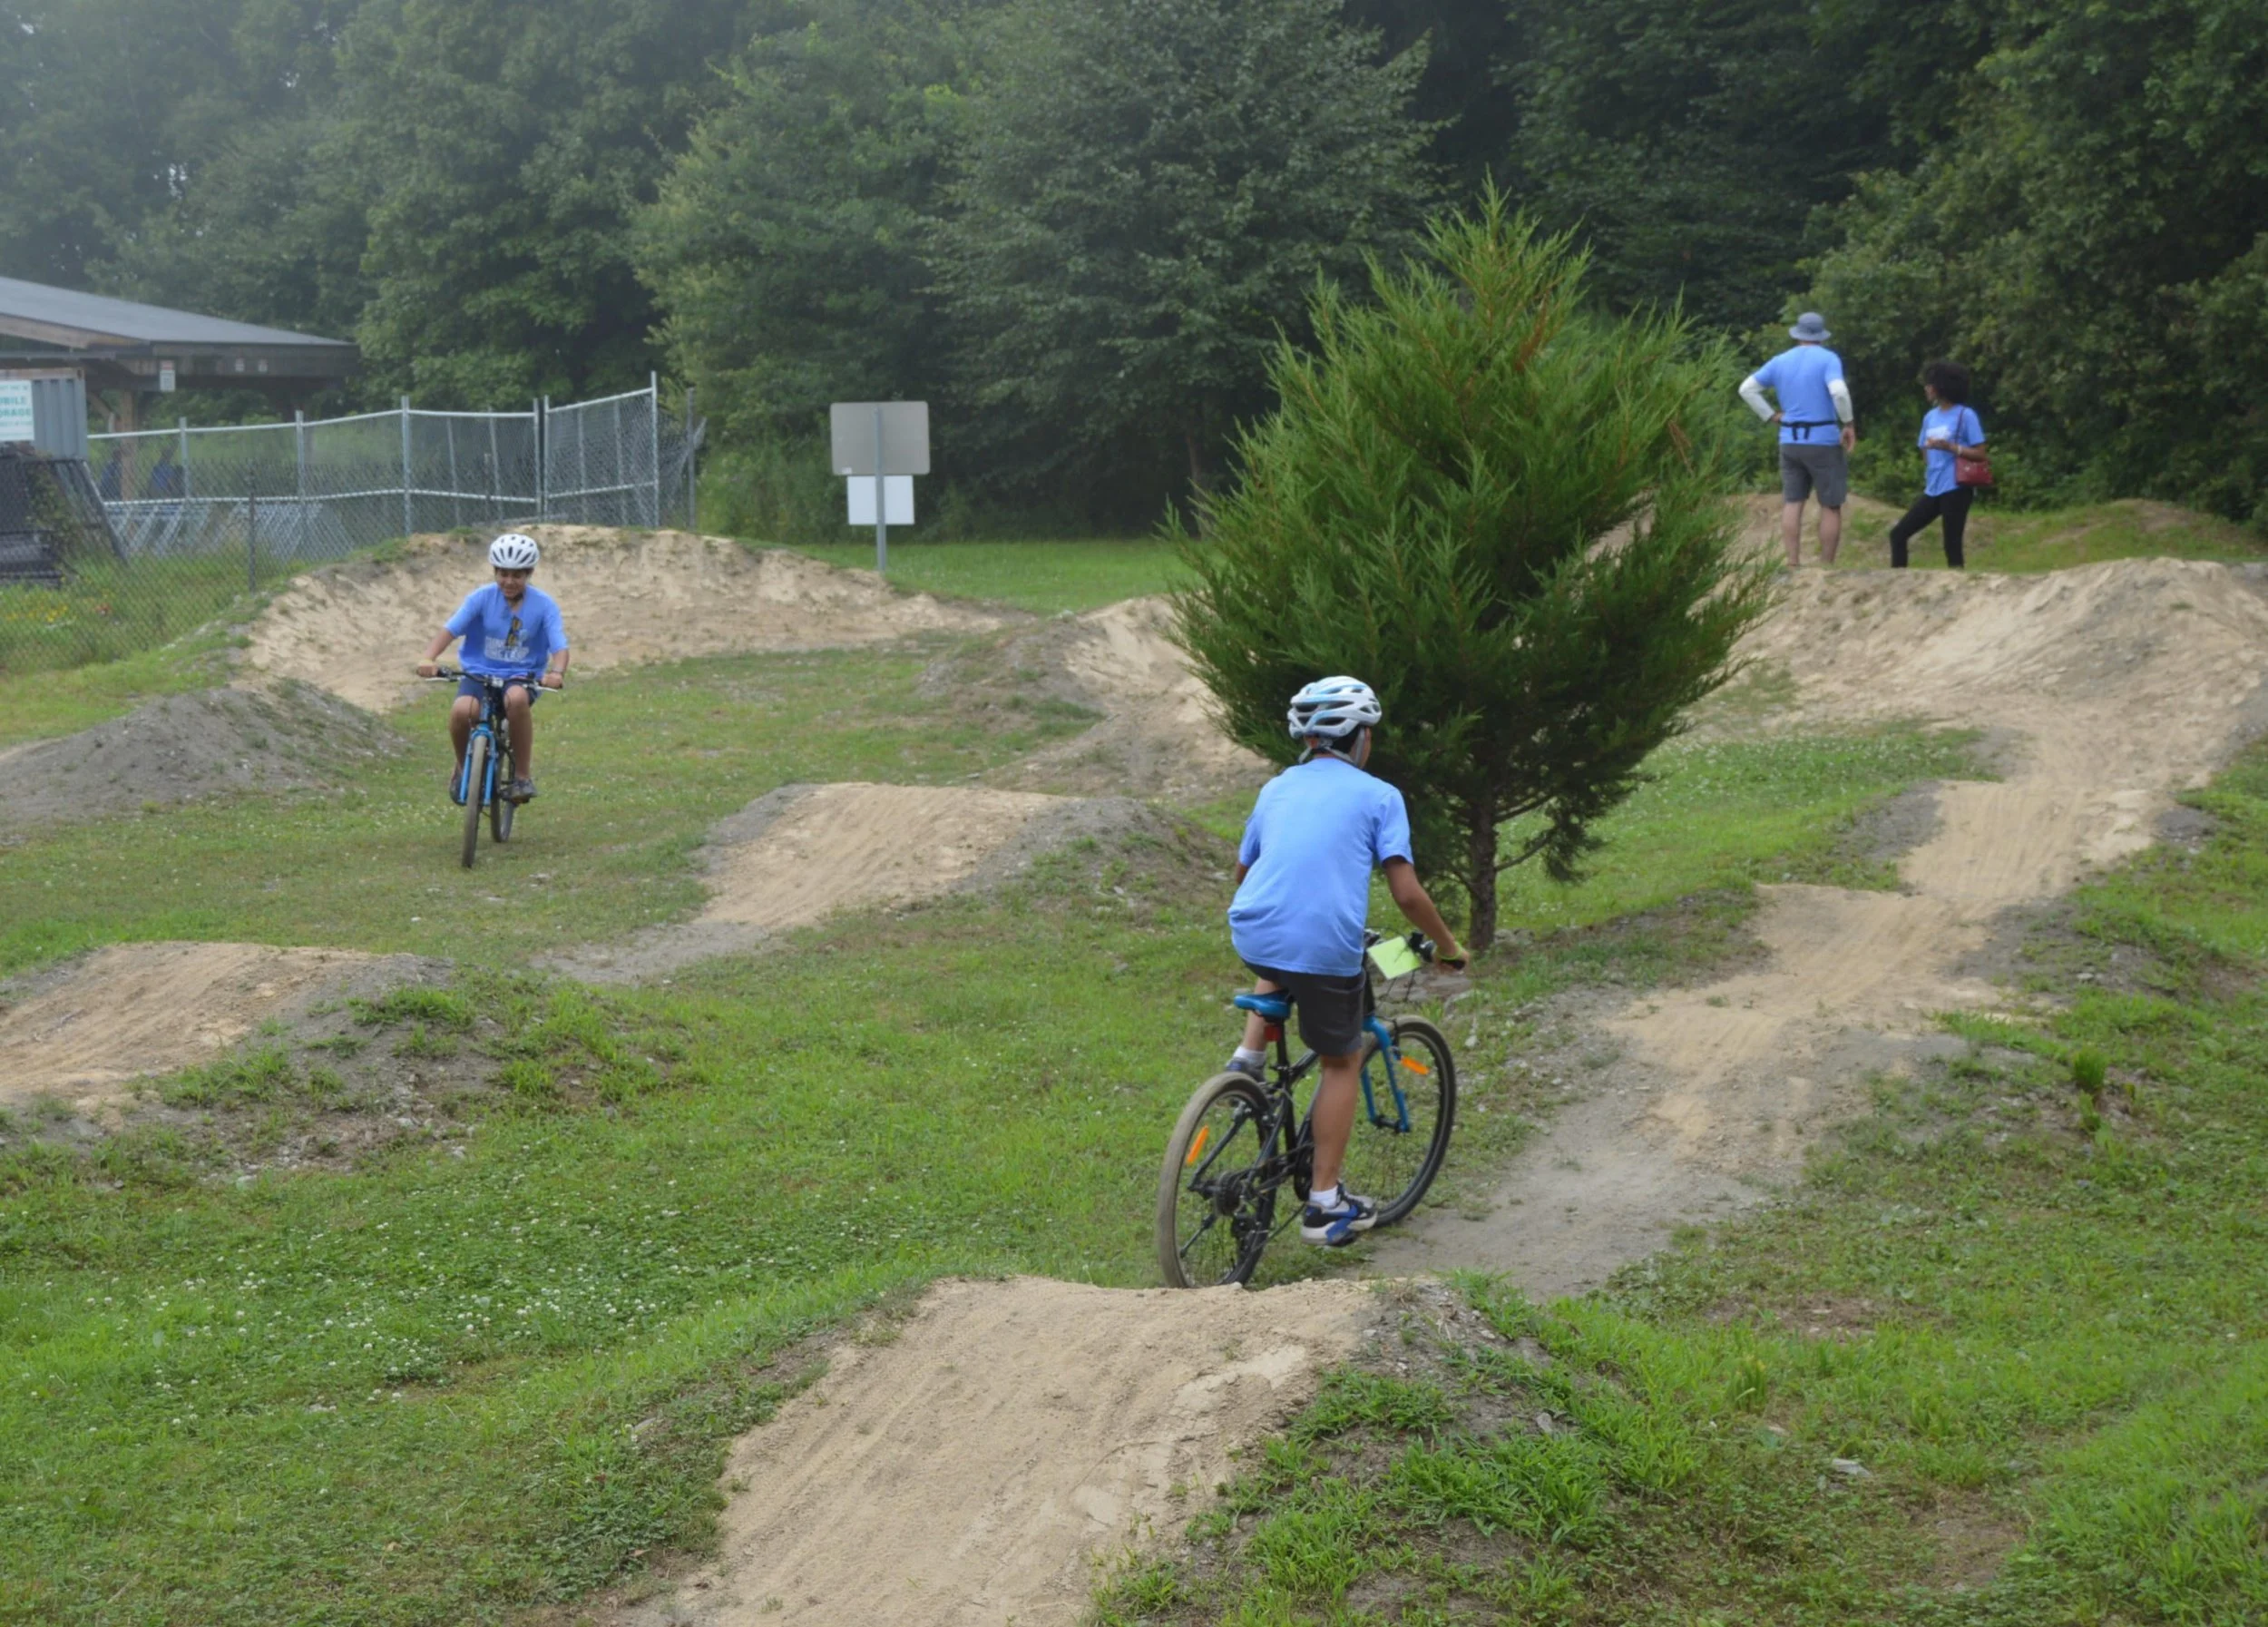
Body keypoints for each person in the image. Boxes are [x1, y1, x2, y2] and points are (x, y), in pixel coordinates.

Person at [1223, 675, 1467, 1246]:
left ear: (1308, 740)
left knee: (1282, 948)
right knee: (1343, 1058)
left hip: (1252, 931)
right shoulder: (1379, 796)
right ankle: (1324, 1203)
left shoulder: (1276, 788)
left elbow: (1243, 872)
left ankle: (1248, 1056)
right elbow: (1407, 894)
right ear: (1359, 738)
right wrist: (1449, 947)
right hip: (1323, 945)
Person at [415, 532, 568, 803]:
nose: (508, 581)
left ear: (529, 574)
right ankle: (463, 768)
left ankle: (522, 777)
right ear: (495, 571)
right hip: (479, 673)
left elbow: (559, 645)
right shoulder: (481, 598)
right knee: (463, 711)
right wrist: (428, 658)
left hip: (521, 676)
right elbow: (451, 629)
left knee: (516, 699)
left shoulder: (544, 605)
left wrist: (556, 672)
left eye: (517, 575)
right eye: (502, 574)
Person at [1740, 312, 1857, 568]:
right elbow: (1839, 392)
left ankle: (1793, 562)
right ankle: (1826, 565)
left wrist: (1770, 415)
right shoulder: (1828, 359)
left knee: (1793, 502)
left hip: (1789, 440)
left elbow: (1746, 389)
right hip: (1823, 440)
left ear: (1798, 334)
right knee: (1830, 505)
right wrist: (1848, 423)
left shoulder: (1780, 361)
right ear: (1821, 335)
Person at [1887, 360, 1986, 570]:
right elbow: (1924, 449)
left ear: (1941, 387)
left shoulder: (1965, 415)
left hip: (1957, 487)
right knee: (1898, 534)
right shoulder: (1930, 417)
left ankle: (1959, 584)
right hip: (1933, 488)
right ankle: (1898, 580)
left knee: (1952, 544)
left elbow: (1980, 453)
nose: (1926, 388)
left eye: (1930, 384)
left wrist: (1951, 447)